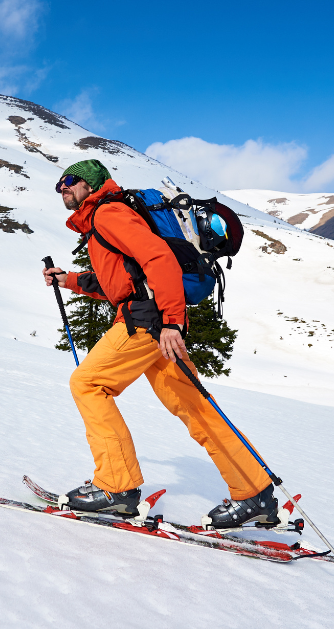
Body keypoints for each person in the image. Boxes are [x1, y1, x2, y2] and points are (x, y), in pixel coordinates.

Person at [42, 159, 278, 528]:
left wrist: (171, 322)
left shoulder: (108, 214)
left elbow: (159, 258)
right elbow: (122, 283)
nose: (63, 188)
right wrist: (70, 280)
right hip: (153, 319)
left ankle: (117, 488)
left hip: (146, 323)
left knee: (88, 383)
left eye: (70, 181)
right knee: (195, 406)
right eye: (59, 185)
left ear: (91, 184)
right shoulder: (105, 220)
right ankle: (254, 492)